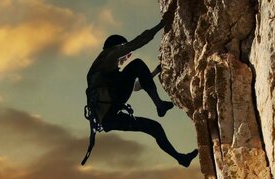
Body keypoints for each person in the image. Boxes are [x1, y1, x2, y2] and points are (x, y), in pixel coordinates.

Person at [82, 18, 198, 167]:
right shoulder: (108, 56)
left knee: (155, 127)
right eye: (125, 53)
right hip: (111, 111)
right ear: (118, 48)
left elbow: (136, 87)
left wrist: (156, 71)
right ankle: (159, 104)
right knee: (137, 64)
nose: (126, 57)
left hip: (109, 119)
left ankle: (181, 158)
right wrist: (161, 25)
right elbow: (137, 43)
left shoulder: (104, 69)